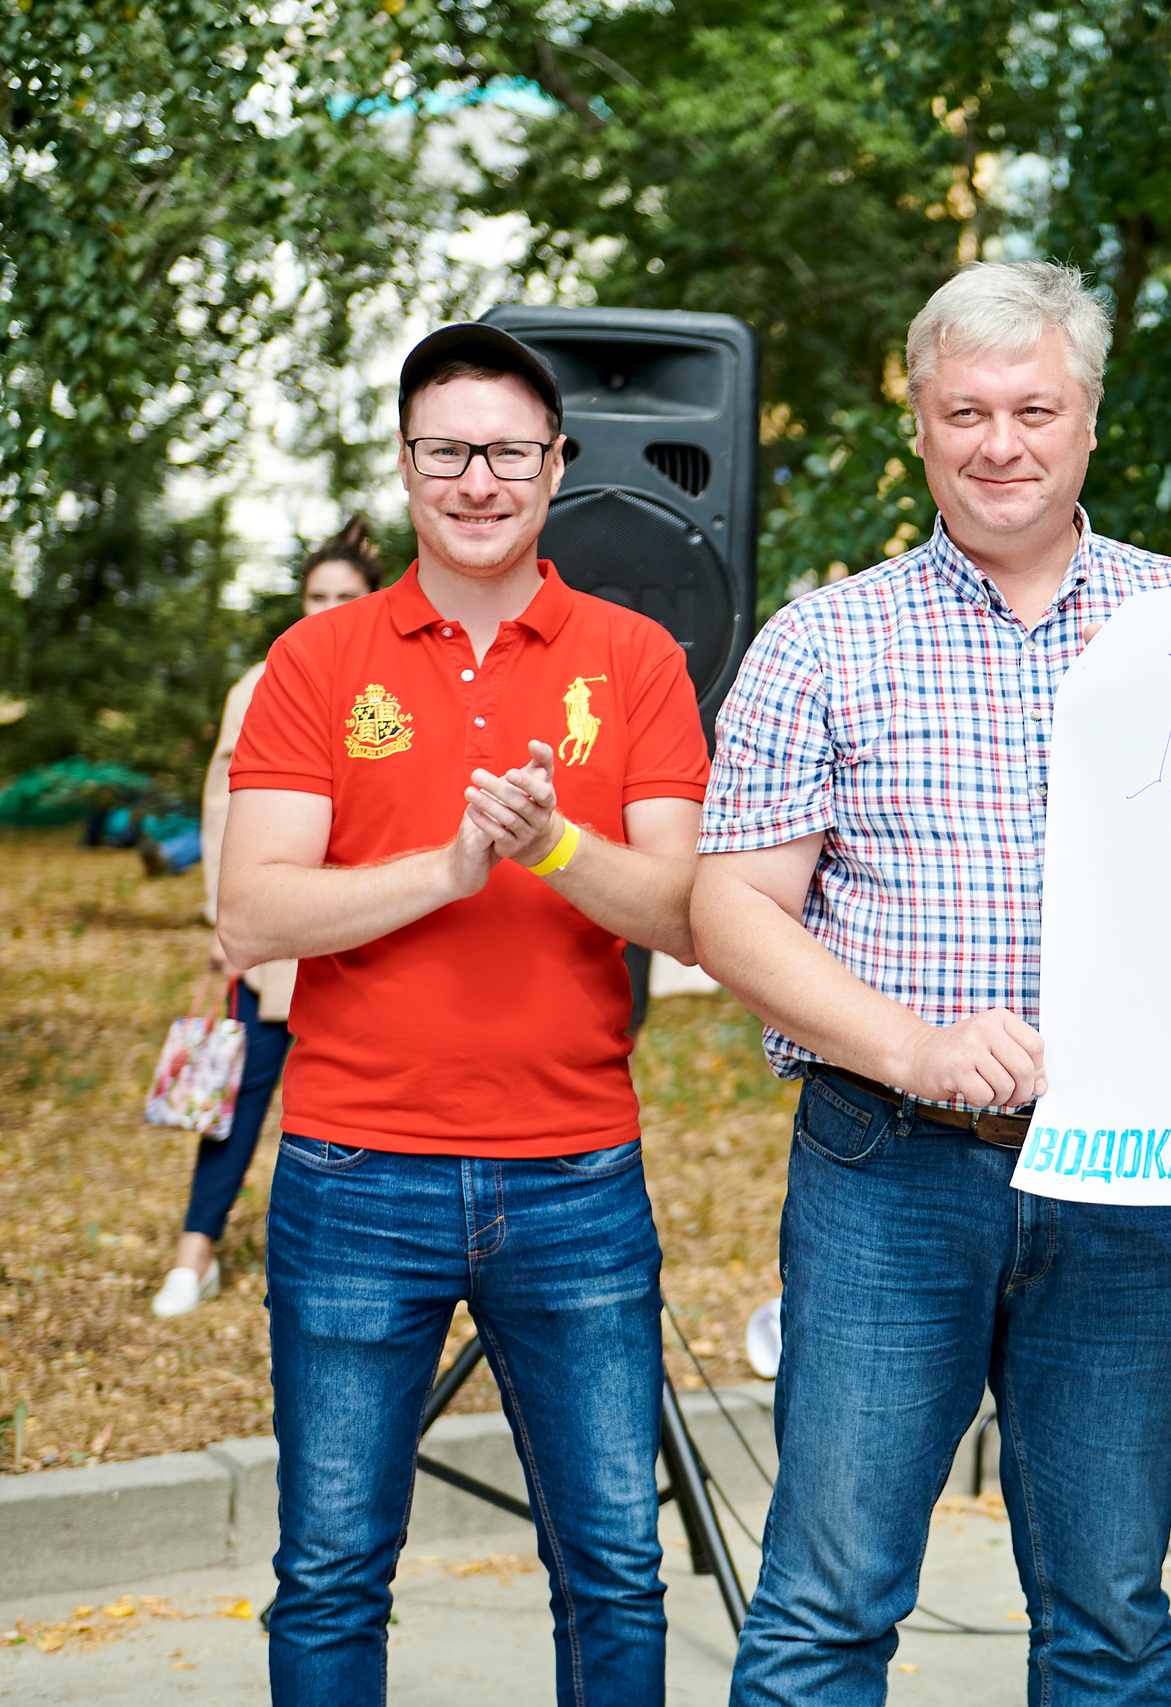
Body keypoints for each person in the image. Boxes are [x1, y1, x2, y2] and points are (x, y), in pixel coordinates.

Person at [690, 260, 1171, 1705]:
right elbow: (733, 908)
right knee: (827, 1601)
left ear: (1091, 419)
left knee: (1113, 1618)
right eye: (967, 410)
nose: (1004, 441)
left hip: (1133, 1178)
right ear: (918, 427)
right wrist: (914, 1043)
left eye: (1035, 407)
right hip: (890, 1170)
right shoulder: (822, 639)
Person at [218, 322, 709, 1702]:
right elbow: (253, 914)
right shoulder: (320, 661)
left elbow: (683, 913)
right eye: (449, 451)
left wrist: (554, 848)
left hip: (576, 1175)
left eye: (507, 450)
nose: (478, 479)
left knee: (613, 1559)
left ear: (557, 466)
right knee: (329, 1567)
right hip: (354, 1168)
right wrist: (446, 867)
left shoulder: (636, 660)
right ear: (407, 462)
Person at [151, 518, 380, 1319]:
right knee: (241, 1092)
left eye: (344, 596)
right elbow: (222, 811)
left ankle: (359, 1258)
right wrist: (227, 925)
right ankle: (195, 1250)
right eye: (315, 594)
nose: (327, 608)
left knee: (364, 1106)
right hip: (278, 936)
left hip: (370, 933)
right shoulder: (261, 684)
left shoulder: (394, 677)